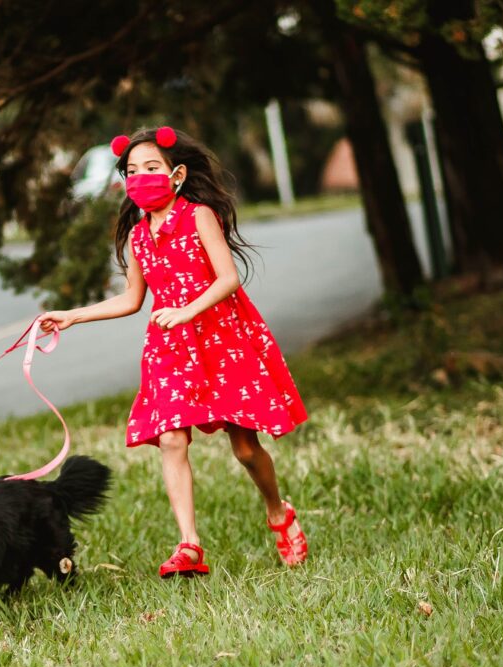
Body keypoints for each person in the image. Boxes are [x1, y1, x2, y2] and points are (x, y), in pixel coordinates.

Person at [38, 126, 309, 576]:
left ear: (176, 174)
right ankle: (189, 544)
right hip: (171, 348)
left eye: (151, 168)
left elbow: (228, 279)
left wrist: (187, 310)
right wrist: (73, 315)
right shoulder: (138, 237)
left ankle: (279, 512)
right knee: (170, 438)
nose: (141, 177)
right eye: (131, 171)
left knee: (244, 448)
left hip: (222, 336)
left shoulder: (198, 215)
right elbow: (131, 300)